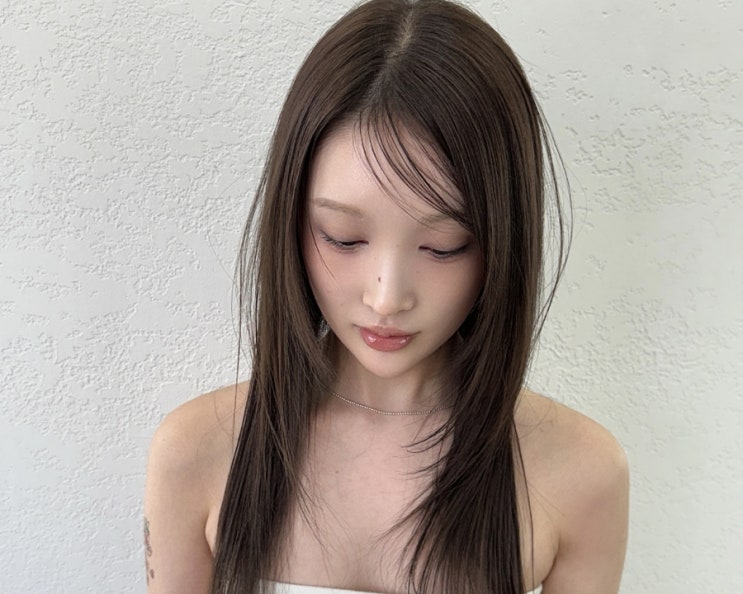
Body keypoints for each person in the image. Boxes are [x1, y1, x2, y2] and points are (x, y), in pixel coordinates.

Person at [144, 0, 629, 592]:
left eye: (444, 246)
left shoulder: (580, 472)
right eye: (343, 237)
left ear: (504, 243)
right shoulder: (197, 450)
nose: (386, 297)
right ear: (292, 223)